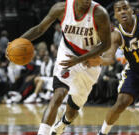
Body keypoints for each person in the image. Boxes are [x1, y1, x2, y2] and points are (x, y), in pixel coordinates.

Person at [13, 0, 111, 135]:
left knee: (72, 112)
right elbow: (40, 29)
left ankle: (63, 123)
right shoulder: (61, 8)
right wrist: (16, 43)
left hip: (89, 60)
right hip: (67, 53)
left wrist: (80, 59)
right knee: (58, 95)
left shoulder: (100, 13)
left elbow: (106, 44)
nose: (87, 1)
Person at [86, 0, 139, 134]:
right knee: (120, 103)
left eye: (125, 8)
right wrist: (100, 60)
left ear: (131, 10)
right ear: (115, 15)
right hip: (136, 74)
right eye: (119, 10)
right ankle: (102, 133)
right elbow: (110, 58)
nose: (122, 12)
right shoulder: (116, 35)